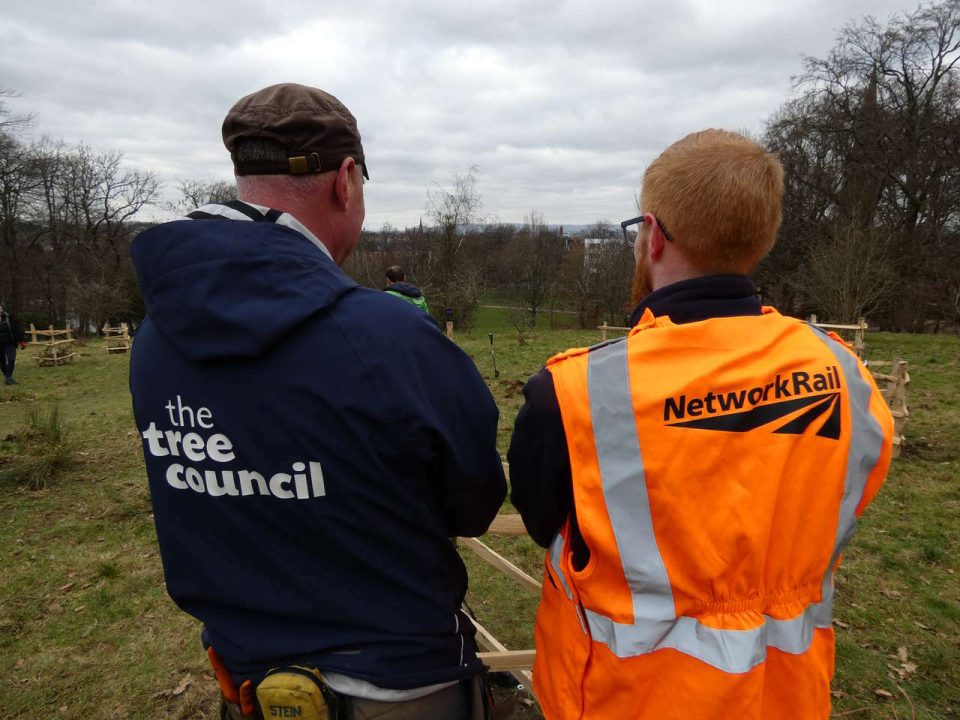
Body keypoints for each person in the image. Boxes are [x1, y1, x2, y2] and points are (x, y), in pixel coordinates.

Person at [129, 83, 506, 720]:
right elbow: (473, 501)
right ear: (346, 180)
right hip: (400, 687)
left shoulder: (158, 337)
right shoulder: (391, 337)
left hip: (248, 682)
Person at [507, 129, 893, 720]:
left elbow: (544, 525)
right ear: (759, 241)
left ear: (652, 236)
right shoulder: (845, 374)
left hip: (624, 703)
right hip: (787, 699)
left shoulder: (572, 394)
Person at [0, 304, 27, 385]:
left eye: (0, 309)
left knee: (11, 359)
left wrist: (22, 340)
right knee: (2, 362)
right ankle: (7, 377)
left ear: (2, 309)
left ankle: (8, 377)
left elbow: (17, 329)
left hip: (10, 343)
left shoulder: (9, 318)